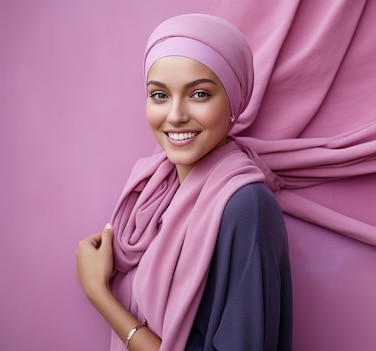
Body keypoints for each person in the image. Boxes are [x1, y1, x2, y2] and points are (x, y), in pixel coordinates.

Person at [75, 14, 292, 351]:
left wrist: (99, 294)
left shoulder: (245, 207)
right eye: (159, 95)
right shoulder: (154, 191)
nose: (175, 115)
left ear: (234, 101)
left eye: (199, 94)